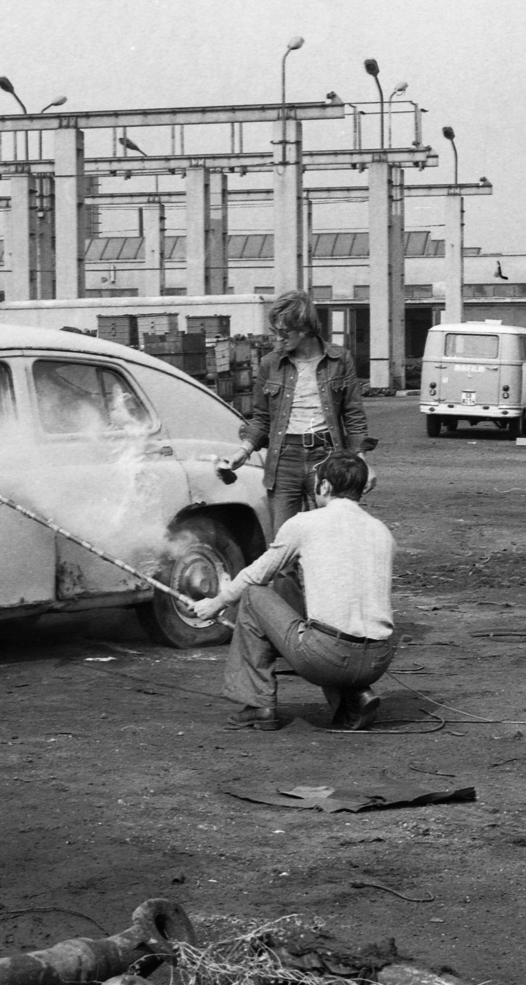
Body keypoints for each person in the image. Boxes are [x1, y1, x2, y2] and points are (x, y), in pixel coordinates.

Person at [190, 452, 395, 731]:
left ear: (324, 487)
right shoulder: (382, 530)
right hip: (378, 660)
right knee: (332, 624)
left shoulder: (304, 523)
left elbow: (256, 575)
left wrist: (217, 602)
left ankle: (259, 704)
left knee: (254, 597)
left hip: (329, 657)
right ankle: (352, 697)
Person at [218, 290, 376, 536]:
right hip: (284, 459)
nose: (277, 340)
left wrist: (362, 462)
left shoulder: (339, 359)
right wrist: (243, 452)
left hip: (327, 458)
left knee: (331, 538)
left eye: (283, 334)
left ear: (304, 328)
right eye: (275, 333)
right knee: (284, 541)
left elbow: (353, 415)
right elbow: (262, 418)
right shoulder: (270, 364)